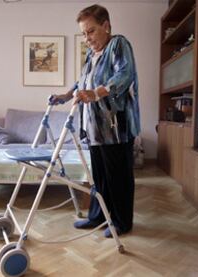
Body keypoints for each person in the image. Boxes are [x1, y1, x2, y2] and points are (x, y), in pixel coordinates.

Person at [51, 4, 140, 238]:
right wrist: (66, 95)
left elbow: (124, 74)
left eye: (90, 31)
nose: (86, 38)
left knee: (118, 176)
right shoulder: (91, 55)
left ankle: (122, 222)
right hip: (94, 127)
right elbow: (82, 81)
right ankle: (98, 216)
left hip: (116, 126)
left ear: (106, 26)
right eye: (83, 33)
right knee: (99, 176)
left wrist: (97, 92)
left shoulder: (118, 44)